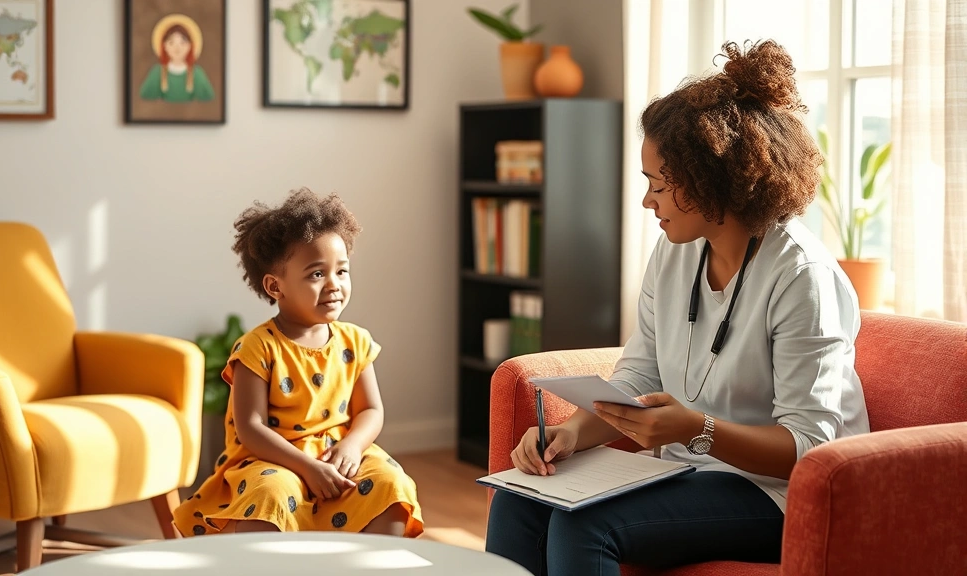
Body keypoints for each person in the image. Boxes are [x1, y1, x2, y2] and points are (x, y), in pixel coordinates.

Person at [484, 39, 869, 575]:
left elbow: (809, 447)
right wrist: (570, 434)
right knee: (521, 496)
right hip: (687, 474)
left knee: (585, 523)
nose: (647, 201)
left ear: (713, 182)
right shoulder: (674, 253)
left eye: (658, 185)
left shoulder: (802, 276)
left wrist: (695, 429)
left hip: (779, 494)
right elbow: (638, 376)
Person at [173, 188, 423, 538]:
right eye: (316, 274)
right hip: (270, 460)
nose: (334, 285)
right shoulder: (257, 347)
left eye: (342, 271)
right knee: (270, 495)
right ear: (276, 287)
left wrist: (351, 447)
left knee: (391, 484)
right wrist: (306, 467)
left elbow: (371, 411)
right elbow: (251, 427)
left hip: (337, 452)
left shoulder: (356, 341)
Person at [140, 14, 215, 102]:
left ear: (190, 46)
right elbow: (146, 98)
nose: (177, 48)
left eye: (183, 43)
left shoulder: (197, 73)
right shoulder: (157, 73)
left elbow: (207, 100)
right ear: (164, 46)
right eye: (171, 43)